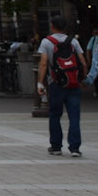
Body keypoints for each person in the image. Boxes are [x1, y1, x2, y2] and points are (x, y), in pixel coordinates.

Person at [38, 25, 88, 156]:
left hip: (56, 83)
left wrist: (40, 83)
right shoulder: (73, 41)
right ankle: (75, 147)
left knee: (55, 115)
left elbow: (43, 63)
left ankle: (56, 146)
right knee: (74, 116)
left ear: (52, 26)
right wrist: (83, 79)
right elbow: (83, 62)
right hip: (73, 83)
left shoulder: (46, 42)